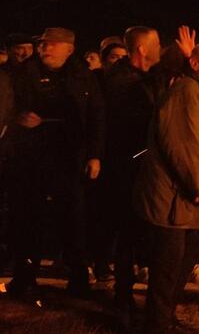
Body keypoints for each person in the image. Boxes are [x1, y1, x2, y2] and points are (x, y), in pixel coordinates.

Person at [4, 27, 105, 299]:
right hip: (32, 157)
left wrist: (95, 154)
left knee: (73, 218)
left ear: (68, 49)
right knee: (29, 217)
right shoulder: (25, 73)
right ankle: (25, 276)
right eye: (43, 44)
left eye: (51, 44)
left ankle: (78, 276)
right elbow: (9, 107)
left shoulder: (83, 76)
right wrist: (19, 119)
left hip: (70, 157)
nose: (44, 48)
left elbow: (95, 115)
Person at [133, 42, 199, 333]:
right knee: (168, 266)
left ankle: (165, 317)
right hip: (174, 195)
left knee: (184, 259)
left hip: (191, 196)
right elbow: (184, 143)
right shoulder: (186, 91)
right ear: (195, 64)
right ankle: (156, 324)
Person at [100, 26, 167, 322]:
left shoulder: (143, 78)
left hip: (142, 166)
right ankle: (122, 296)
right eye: (156, 44)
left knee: (138, 232)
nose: (160, 49)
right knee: (127, 230)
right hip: (125, 167)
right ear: (141, 49)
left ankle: (130, 289)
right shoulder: (122, 82)